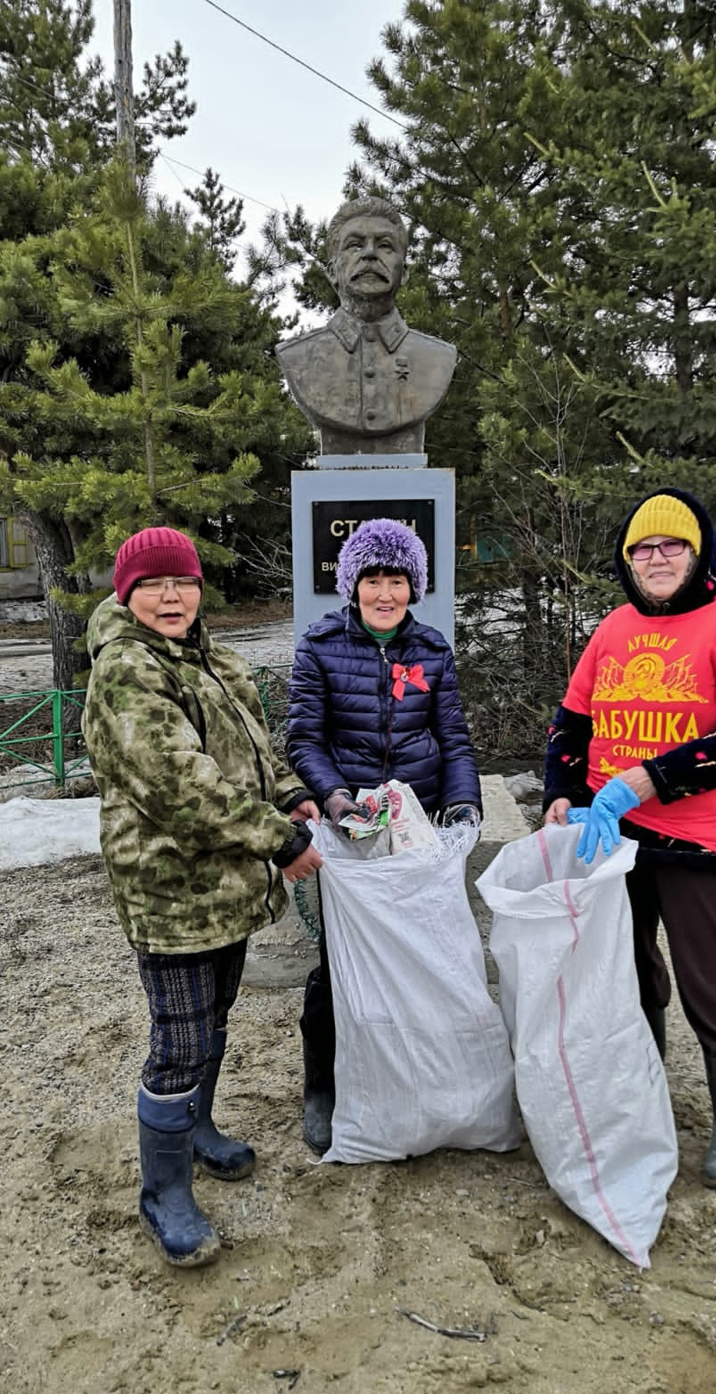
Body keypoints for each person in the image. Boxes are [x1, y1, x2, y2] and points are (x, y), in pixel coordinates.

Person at [82, 527, 322, 1268]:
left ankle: (197, 1128)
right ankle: (164, 1191)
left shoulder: (213, 658)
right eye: (153, 585)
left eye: (181, 582)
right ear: (128, 594)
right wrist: (279, 839)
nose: (171, 596)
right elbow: (182, 785)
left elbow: (252, 748)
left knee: (215, 1016)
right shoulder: (126, 669)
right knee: (178, 1042)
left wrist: (293, 795)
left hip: (225, 885)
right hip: (172, 889)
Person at [543, 489, 716, 1191]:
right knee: (627, 971)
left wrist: (642, 782)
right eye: (642, 549)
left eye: (671, 545)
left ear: (698, 552)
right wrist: (564, 793)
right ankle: (647, 1090)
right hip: (611, 839)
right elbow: (571, 722)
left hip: (696, 840)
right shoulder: (613, 627)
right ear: (627, 562)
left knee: (710, 979)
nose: (656, 558)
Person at [285, 518, 482, 1152]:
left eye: (396, 579)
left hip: (417, 826)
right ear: (353, 585)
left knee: (423, 958)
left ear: (413, 586)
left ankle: (419, 1084)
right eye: (372, 579)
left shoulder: (432, 649)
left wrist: (462, 809)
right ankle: (324, 1087)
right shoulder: (319, 647)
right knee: (337, 965)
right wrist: (337, 799)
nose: (385, 593)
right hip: (349, 830)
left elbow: (453, 740)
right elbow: (304, 740)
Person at [275, 197, 456, 455]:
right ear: (332, 271)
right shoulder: (299, 357)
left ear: (403, 272)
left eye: (384, 246)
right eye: (354, 245)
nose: (369, 254)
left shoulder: (438, 358)